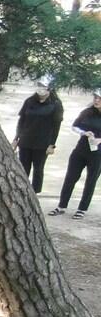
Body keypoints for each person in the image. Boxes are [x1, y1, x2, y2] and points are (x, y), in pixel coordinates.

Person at [48, 88, 101, 219]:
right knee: (70, 177)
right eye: (95, 97)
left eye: (99, 99)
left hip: (97, 154)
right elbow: (74, 126)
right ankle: (61, 206)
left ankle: (82, 209)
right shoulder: (87, 112)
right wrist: (83, 133)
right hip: (80, 150)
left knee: (91, 181)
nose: (96, 100)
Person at [12, 77, 64, 194]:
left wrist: (52, 145)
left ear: (49, 89)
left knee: (38, 169)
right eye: (39, 86)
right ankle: (21, 190)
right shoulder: (29, 101)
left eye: (44, 87)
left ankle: (35, 193)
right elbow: (22, 120)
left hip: (42, 143)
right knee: (23, 167)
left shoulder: (55, 104)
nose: (41, 89)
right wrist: (16, 138)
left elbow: (56, 126)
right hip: (26, 141)